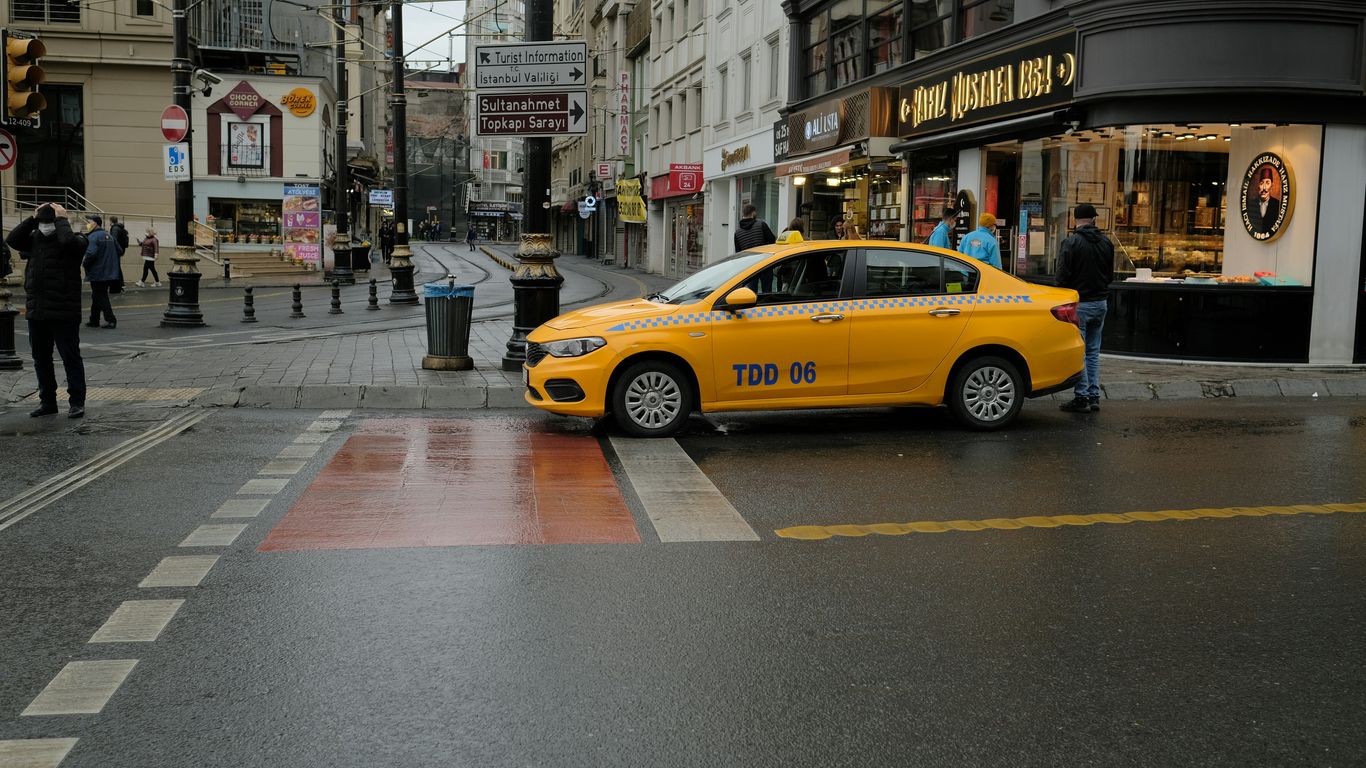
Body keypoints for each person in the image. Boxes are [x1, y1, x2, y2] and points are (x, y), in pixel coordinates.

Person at [5, 204, 89, 418]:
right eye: (43, 223)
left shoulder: (77, 240)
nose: (45, 227)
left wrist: (61, 219)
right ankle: (48, 402)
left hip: (64, 312)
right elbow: (12, 240)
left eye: (48, 222)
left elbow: (68, 242)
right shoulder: (35, 240)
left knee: (70, 357)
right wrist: (32, 219)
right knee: (41, 359)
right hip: (37, 311)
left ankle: (76, 401)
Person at [1056, 203, 1115, 414]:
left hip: (1080, 303)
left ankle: (1081, 397)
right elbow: (1110, 275)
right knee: (1093, 351)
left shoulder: (1071, 242)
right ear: (1093, 219)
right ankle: (1094, 395)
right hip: (1101, 303)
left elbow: (1061, 276)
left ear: (1076, 220)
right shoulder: (1106, 242)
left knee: (1079, 351)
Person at [82, 215, 120, 329]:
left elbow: (90, 253)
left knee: (101, 295)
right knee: (97, 295)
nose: (87, 224)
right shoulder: (109, 235)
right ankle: (94, 319)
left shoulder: (93, 237)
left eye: (89, 222)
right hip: (110, 271)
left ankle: (111, 319)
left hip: (98, 272)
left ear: (95, 223)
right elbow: (120, 250)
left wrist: (85, 263)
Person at [1248, 166, 1281, 236]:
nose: (1264, 188)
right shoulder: (1251, 204)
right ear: (1258, 186)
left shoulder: (1278, 205)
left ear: (1272, 186)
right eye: (1261, 183)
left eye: (1267, 183)